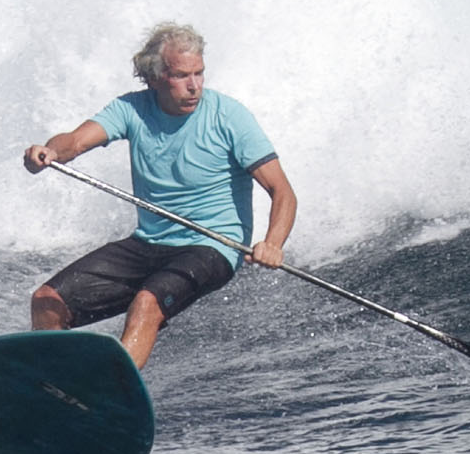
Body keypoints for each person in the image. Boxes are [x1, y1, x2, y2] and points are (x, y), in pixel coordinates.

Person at [22, 22, 298, 368]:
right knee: (47, 300)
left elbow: (282, 192)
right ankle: (54, 386)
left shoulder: (230, 117)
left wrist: (273, 243)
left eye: (199, 73)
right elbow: (74, 142)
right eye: (182, 76)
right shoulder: (131, 109)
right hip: (148, 242)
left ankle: (112, 393)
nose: (194, 86)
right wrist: (50, 151)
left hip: (213, 245)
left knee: (146, 303)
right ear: (154, 78)